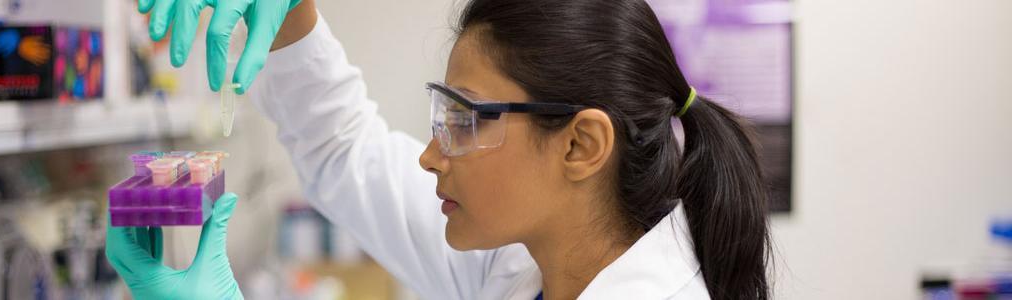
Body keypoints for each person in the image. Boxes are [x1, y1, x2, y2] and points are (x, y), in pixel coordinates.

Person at [106, 0, 773, 299]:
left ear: (580, 144)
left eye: (465, 118)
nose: (431, 155)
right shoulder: (527, 264)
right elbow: (344, 148)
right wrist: (289, 14)